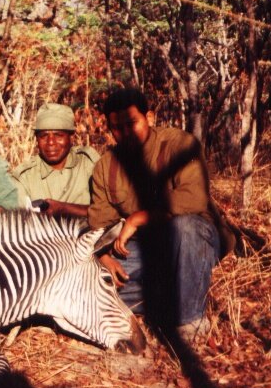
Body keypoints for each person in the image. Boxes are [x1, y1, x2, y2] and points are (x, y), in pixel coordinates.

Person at [88, 87, 223, 339]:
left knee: (185, 227)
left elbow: (194, 198)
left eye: (132, 124)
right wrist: (105, 257)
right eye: (117, 128)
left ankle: (189, 324)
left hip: (191, 240)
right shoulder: (105, 166)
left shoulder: (180, 144)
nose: (125, 133)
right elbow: (99, 223)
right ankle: (170, 294)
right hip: (143, 249)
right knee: (91, 280)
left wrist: (138, 218)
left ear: (149, 118)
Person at [11, 103, 100, 217]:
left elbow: (108, 212)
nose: (51, 142)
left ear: (71, 138)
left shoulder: (88, 163)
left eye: (58, 135)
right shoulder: (24, 178)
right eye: (44, 136)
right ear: (37, 139)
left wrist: (64, 209)